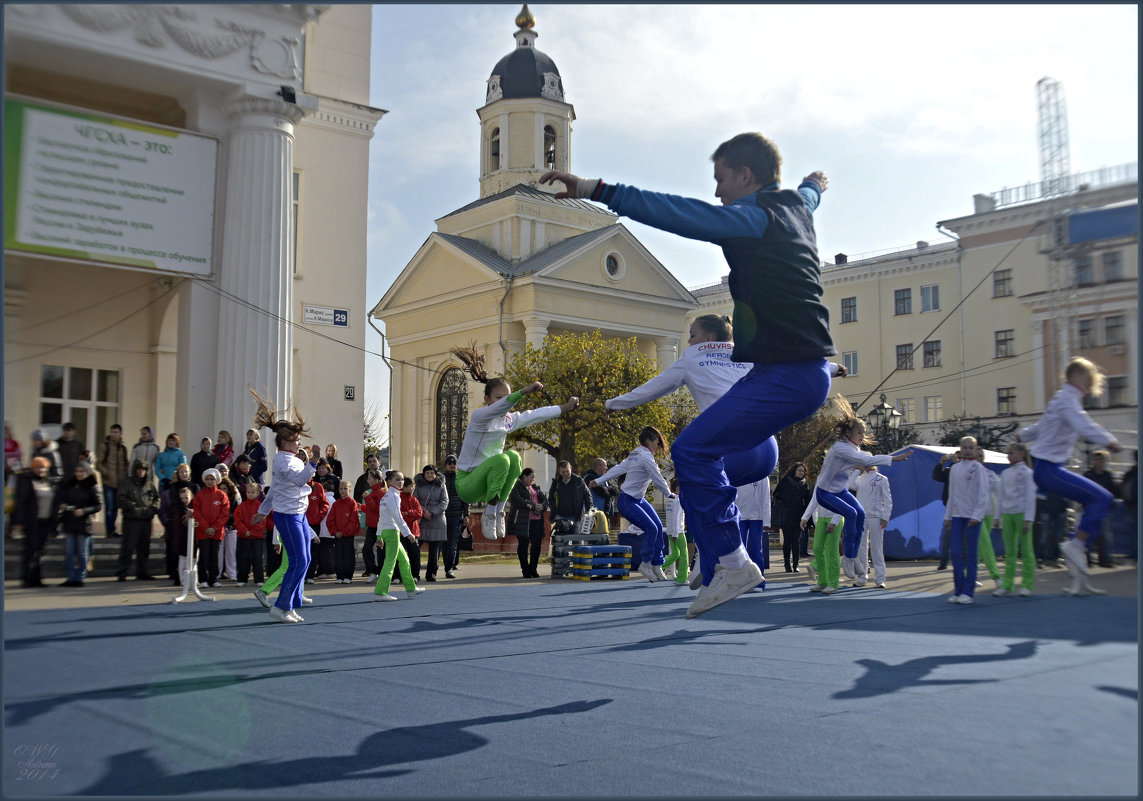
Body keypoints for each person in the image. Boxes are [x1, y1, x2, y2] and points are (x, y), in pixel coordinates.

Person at [542, 135, 836, 618]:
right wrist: (815, 183)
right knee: (698, 469)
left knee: (690, 450)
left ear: (746, 176)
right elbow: (809, 195)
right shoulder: (797, 210)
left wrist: (597, 189)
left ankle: (732, 561)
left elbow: (679, 214)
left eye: (721, 179)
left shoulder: (752, 217)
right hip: (792, 374)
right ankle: (719, 558)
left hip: (788, 376)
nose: (718, 192)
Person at [450, 344, 579, 539]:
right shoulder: (480, 417)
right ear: (487, 399)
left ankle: (500, 510)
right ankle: (490, 512)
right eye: (499, 398)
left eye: (506, 398)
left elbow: (535, 415)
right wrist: (524, 391)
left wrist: (565, 407)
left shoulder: (508, 420)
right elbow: (501, 407)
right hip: (468, 483)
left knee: (514, 457)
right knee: (502, 459)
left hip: (489, 483)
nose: (504, 404)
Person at [1018, 357, 1123, 596]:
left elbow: (1042, 426)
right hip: (1048, 470)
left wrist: (1022, 435)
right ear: (1076, 376)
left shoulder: (1061, 399)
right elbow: (1083, 424)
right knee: (1102, 499)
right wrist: (1109, 441)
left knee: (1094, 503)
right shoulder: (1067, 400)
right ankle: (1076, 544)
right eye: (1088, 380)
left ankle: (1078, 578)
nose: (1090, 386)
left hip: (1050, 469)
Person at [813, 398, 911, 575]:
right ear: (848, 432)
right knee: (851, 514)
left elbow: (864, 457)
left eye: (863, 433)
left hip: (840, 491)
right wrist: (893, 459)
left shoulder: (854, 448)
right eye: (859, 433)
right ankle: (849, 559)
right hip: (825, 493)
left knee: (861, 515)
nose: (862, 436)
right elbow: (866, 460)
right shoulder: (841, 448)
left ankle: (852, 557)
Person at [250, 389, 320, 623]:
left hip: (298, 514)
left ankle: (291, 604)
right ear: (284, 442)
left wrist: (262, 511)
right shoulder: (282, 459)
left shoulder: (291, 458)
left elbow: (275, 491)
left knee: (306, 559)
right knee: (298, 560)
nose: (299, 441)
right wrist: (314, 463)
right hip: (288, 516)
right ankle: (280, 606)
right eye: (295, 439)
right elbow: (300, 481)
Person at [589, 426, 676, 584]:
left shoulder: (636, 453)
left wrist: (599, 480)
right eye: (657, 442)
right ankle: (645, 563)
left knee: (657, 525)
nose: (658, 446)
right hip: (627, 501)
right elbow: (657, 478)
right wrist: (669, 494)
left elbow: (618, 468)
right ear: (648, 441)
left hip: (638, 500)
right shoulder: (645, 458)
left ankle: (657, 564)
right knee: (651, 529)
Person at [943, 436, 991, 605]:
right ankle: (958, 590)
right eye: (965, 447)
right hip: (957, 516)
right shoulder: (955, 468)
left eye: (971, 447)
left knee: (971, 554)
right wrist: (947, 516)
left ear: (976, 449)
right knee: (955, 552)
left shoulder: (978, 468)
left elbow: (983, 494)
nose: (968, 450)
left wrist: (977, 515)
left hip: (972, 517)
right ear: (960, 449)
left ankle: (968, 592)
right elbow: (952, 494)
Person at [373, 471, 426, 602]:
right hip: (392, 532)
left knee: (404, 560)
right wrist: (408, 534)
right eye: (397, 480)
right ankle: (380, 592)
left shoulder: (386, 496)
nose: (401, 482)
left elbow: (381, 518)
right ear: (389, 482)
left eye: (402, 479)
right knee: (390, 562)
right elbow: (398, 517)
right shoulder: (394, 496)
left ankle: (411, 589)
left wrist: (379, 535)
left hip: (387, 531)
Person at [993, 442, 1037, 597]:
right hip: (1007, 514)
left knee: (1026, 550)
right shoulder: (1005, 473)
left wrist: (1028, 519)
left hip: (1021, 514)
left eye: (1012, 453)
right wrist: (997, 516)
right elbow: (1001, 497)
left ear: (1021, 454)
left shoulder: (1027, 473)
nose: (1008, 455)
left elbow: (1031, 497)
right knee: (1009, 552)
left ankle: (1026, 585)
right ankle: (1007, 584)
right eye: (1008, 453)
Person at [12, 457, 57, 587]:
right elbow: (20, 502)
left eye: (43, 467)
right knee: (30, 551)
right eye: (38, 467)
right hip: (32, 521)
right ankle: (27, 580)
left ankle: (37, 580)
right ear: (33, 468)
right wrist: (18, 521)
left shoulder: (49, 482)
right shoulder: (27, 480)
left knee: (40, 552)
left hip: (46, 521)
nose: (41, 470)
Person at [846, 465, 892, 588]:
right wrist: (857, 470)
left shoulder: (881, 479)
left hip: (876, 517)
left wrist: (885, 517)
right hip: (861, 517)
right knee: (861, 548)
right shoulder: (860, 479)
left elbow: (887, 500)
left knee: (877, 548)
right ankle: (862, 576)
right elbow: (849, 485)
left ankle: (880, 578)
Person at [57, 460, 101, 587]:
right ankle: (70, 578)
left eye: (82, 471)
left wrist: (84, 511)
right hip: (70, 521)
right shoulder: (69, 484)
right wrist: (63, 505)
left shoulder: (92, 486)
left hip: (84, 523)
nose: (79, 474)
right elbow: (61, 498)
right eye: (77, 471)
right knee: (70, 552)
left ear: (87, 473)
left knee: (82, 552)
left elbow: (97, 506)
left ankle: (80, 578)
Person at [115, 458, 160, 581]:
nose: (141, 472)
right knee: (128, 547)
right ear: (135, 470)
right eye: (139, 469)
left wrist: (152, 509)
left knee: (144, 547)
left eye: (143, 469)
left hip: (146, 520)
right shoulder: (127, 483)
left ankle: (142, 572)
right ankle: (122, 572)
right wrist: (133, 507)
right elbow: (120, 498)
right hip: (131, 520)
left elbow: (156, 498)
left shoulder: (149, 484)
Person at [191, 467, 229, 588]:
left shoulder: (222, 495)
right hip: (203, 532)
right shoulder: (199, 495)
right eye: (207, 479)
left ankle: (214, 578)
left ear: (216, 480)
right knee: (204, 555)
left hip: (216, 532)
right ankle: (203, 579)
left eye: (212, 479)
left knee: (215, 555)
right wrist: (206, 527)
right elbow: (197, 512)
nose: (209, 481)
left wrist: (215, 528)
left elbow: (224, 514)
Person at [158, 463, 195, 584]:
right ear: (178, 474)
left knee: (192, 549)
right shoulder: (174, 487)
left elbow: (198, 502)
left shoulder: (195, 486)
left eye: (186, 472)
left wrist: (192, 512)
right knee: (177, 548)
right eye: (181, 472)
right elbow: (175, 502)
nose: (184, 474)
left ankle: (192, 577)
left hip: (193, 520)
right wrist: (186, 511)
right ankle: (177, 576)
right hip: (178, 520)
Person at [508, 467, 547, 578]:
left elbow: (545, 500)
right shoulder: (516, 486)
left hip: (537, 521)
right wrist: (533, 505)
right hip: (523, 521)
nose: (533, 480)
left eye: (534, 478)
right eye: (531, 477)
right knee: (523, 545)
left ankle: (533, 568)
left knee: (536, 546)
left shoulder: (535, 488)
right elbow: (516, 500)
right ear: (524, 476)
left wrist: (542, 506)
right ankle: (525, 569)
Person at [774, 462, 813, 571]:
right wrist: (784, 497)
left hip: (799, 516)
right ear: (794, 471)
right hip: (786, 514)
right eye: (799, 470)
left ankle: (796, 564)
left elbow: (808, 501)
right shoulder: (785, 481)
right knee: (787, 541)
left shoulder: (804, 484)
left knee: (796, 540)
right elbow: (776, 494)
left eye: (803, 471)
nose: (802, 473)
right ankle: (787, 564)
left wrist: (807, 517)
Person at [1083, 449, 1118, 568]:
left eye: (1100, 459)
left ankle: (1105, 560)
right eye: (1095, 459)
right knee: (1087, 534)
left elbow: (1113, 492)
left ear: (1104, 461)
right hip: (1090, 508)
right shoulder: (1088, 475)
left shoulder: (1107, 476)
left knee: (1105, 535)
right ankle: (1087, 560)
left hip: (1103, 509)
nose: (1097, 461)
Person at [974, 445, 1002, 591]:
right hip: (975, 515)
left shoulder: (990, 474)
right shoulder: (969, 473)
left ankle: (969, 575)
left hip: (989, 514)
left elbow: (1000, 493)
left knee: (980, 548)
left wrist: (998, 516)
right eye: (976, 456)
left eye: (981, 456)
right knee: (987, 545)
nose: (979, 459)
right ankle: (996, 576)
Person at [414, 464, 449, 581]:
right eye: (427, 473)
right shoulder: (418, 485)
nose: (429, 475)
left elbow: (445, 501)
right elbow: (415, 500)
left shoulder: (441, 485)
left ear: (436, 474)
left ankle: (431, 574)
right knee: (415, 548)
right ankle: (414, 573)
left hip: (437, 519)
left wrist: (432, 512)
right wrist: (424, 512)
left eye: (432, 473)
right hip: (421, 519)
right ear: (423, 475)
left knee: (434, 551)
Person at [95, 424, 129, 538]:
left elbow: (125, 464)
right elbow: (98, 463)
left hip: (119, 483)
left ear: (120, 434)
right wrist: (106, 473)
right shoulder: (104, 446)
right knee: (109, 507)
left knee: (115, 508)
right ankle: (109, 530)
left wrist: (125, 477)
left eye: (116, 432)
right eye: (112, 432)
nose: (114, 434)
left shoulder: (123, 449)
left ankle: (113, 530)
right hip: (108, 482)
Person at [803, 496, 843, 593]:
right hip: (822, 518)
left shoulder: (840, 481)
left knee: (832, 551)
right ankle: (822, 582)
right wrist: (805, 517)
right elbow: (814, 499)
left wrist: (834, 522)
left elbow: (842, 501)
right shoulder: (820, 481)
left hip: (835, 517)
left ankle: (833, 584)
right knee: (817, 548)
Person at [736, 477, 770, 591]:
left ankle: (759, 582)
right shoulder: (738, 472)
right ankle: (742, 582)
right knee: (740, 551)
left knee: (756, 549)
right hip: (740, 516)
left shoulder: (762, 475)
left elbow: (766, 497)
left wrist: (766, 520)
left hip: (757, 517)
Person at [234, 482, 269, 587]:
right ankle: (242, 579)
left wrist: (252, 532)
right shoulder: (241, 506)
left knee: (257, 558)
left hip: (256, 537)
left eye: (253, 492)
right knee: (243, 557)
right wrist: (245, 531)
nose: (250, 494)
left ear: (258, 493)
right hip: (243, 536)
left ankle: (259, 579)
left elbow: (262, 521)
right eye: (248, 492)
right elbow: (238, 520)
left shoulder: (260, 507)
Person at [326, 479, 361, 583]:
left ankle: (348, 576)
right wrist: (335, 531)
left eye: (345, 488)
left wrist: (344, 532)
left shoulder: (352, 503)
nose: (343, 491)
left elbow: (353, 520)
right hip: (337, 535)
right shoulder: (336, 504)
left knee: (348, 555)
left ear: (349, 490)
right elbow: (330, 520)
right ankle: (339, 576)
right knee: (338, 555)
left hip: (348, 535)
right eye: (341, 488)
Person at [547, 460, 593, 534]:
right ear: (559, 471)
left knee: (577, 540)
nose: (565, 474)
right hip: (560, 515)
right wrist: (554, 510)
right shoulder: (556, 482)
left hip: (576, 515)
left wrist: (589, 509)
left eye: (567, 471)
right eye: (563, 472)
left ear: (571, 468)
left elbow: (587, 495)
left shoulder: (579, 480)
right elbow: (551, 498)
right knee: (562, 540)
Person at [441, 454, 468, 579]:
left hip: (456, 515)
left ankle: (449, 569)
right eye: (449, 463)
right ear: (445, 465)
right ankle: (443, 565)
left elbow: (465, 498)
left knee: (452, 543)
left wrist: (466, 514)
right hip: (442, 516)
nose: (452, 465)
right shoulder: (440, 478)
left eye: (454, 464)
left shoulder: (461, 478)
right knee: (443, 544)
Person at [304, 468, 332, 582]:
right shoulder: (298, 487)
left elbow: (324, 504)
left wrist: (319, 516)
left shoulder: (318, 486)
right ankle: (303, 576)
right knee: (303, 550)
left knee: (314, 551)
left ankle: (310, 575)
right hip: (301, 523)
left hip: (315, 524)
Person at [215, 462, 241, 581]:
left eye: (225, 489)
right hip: (219, 527)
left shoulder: (234, 499)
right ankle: (217, 573)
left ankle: (232, 573)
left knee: (231, 552)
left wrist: (230, 523)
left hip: (231, 528)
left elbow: (236, 513)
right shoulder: (216, 498)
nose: (223, 491)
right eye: (221, 488)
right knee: (219, 552)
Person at [932, 450, 957, 570]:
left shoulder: (969, 469)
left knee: (963, 538)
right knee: (947, 535)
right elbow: (936, 476)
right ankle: (944, 562)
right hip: (950, 507)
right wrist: (941, 463)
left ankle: (962, 562)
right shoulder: (950, 470)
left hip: (964, 508)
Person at [661, 477, 688, 584]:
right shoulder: (678, 500)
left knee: (675, 554)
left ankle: (658, 567)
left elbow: (670, 517)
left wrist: (672, 532)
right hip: (678, 532)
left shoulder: (670, 500)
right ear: (678, 487)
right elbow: (676, 517)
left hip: (670, 531)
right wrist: (676, 533)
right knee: (684, 554)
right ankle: (682, 578)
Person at [360, 467, 385, 580]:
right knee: (367, 549)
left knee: (380, 550)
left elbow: (376, 509)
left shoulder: (380, 492)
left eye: (370, 479)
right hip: (371, 525)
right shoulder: (373, 492)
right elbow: (371, 509)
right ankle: (373, 571)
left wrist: (368, 498)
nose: (368, 481)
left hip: (380, 526)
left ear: (376, 480)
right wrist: (361, 507)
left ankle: (380, 572)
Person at [397, 475, 424, 582]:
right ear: (404, 487)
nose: (412, 489)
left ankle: (415, 575)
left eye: (413, 486)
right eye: (410, 486)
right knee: (400, 555)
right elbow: (400, 515)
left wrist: (408, 513)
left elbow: (419, 513)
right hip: (401, 533)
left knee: (414, 554)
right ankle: (397, 576)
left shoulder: (414, 500)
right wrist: (410, 514)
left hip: (413, 532)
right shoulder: (398, 498)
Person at [583, 457, 620, 521]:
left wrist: (607, 489)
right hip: (594, 514)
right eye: (605, 466)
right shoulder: (589, 478)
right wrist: (609, 490)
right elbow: (602, 492)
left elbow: (616, 490)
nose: (607, 468)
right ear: (598, 466)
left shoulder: (605, 479)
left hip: (605, 513)